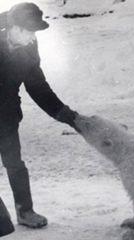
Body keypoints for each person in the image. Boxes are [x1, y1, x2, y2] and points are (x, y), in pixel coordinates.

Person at [0, 2, 80, 228]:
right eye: (29, 32)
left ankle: (25, 211)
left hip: (5, 113)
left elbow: (37, 86)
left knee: (14, 163)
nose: (32, 38)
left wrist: (66, 115)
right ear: (14, 27)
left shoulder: (29, 45)